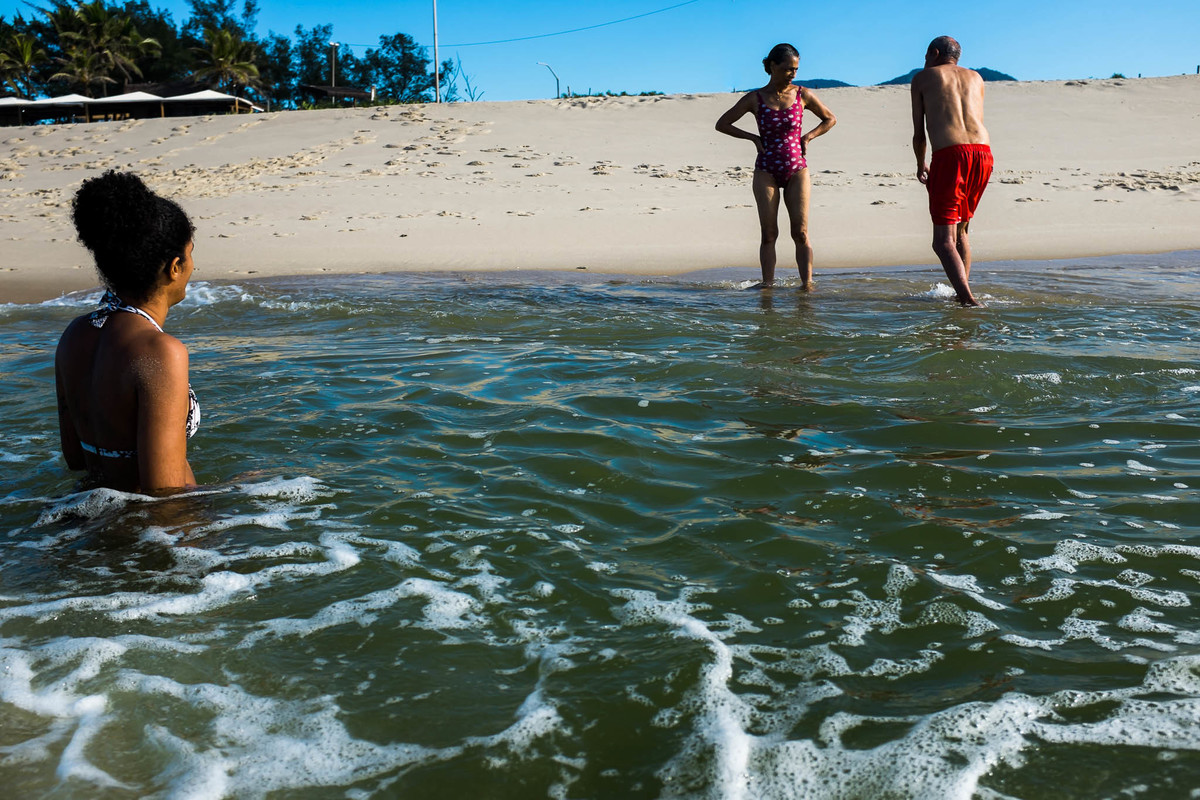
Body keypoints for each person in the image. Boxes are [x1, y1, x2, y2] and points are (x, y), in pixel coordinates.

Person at [56, 170, 200, 495]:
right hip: (150, 537)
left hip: (94, 519)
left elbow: (76, 458)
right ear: (174, 267)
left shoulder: (75, 335)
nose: (193, 266)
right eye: (191, 255)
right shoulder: (161, 351)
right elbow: (164, 495)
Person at [716, 43, 837, 289]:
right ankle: (768, 287)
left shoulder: (802, 94)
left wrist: (809, 136)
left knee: (800, 232)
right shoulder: (755, 98)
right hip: (766, 169)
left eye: (795, 69)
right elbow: (723, 123)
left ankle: (808, 287)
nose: (793, 74)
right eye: (787, 69)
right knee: (769, 233)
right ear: (772, 67)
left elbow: (830, 118)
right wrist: (752, 137)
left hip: (797, 169)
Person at [911, 35, 993, 306]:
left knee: (942, 241)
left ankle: (968, 300)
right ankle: (962, 293)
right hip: (982, 155)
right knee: (962, 232)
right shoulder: (977, 78)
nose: (924, 61)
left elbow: (919, 133)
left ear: (934, 53)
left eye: (925, 56)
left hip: (950, 155)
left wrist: (921, 163)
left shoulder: (923, 78)